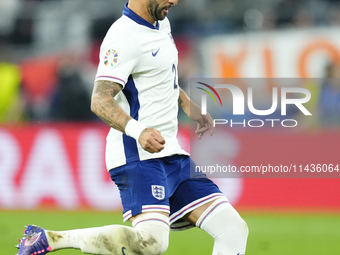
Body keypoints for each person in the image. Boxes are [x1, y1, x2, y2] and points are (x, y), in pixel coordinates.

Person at [16, 1, 248, 255]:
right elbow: (100, 100)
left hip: (172, 153)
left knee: (233, 229)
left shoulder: (161, 23)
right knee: (153, 243)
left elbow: (158, 76)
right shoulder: (123, 37)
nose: (175, 1)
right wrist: (139, 131)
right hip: (138, 155)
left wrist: (187, 104)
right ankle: (50, 238)